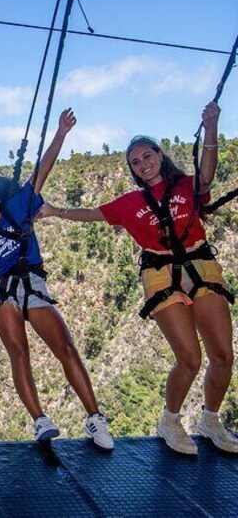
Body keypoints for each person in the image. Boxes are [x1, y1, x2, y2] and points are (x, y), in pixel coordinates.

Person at [41, 102, 238, 455]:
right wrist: (56, 210)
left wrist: (211, 126)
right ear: (132, 169)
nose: (143, 164)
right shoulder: (130, 203)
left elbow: (207, 175)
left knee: (223, 355)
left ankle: (210, 419)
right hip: (160, 273)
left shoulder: (187, 187)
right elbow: (94, 214)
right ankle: (171, 420)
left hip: (200, 263)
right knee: (189, 358)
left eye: (147, 156)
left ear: (160, 156)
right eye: (136, 161)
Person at [0, 109, 114, 450]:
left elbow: (41, 170)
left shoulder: (20, 206)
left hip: (32, 284)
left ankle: (95, 417)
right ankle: (40, 420)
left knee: (64, 346)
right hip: (1, 288)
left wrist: (61, 133)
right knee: (19, 351)